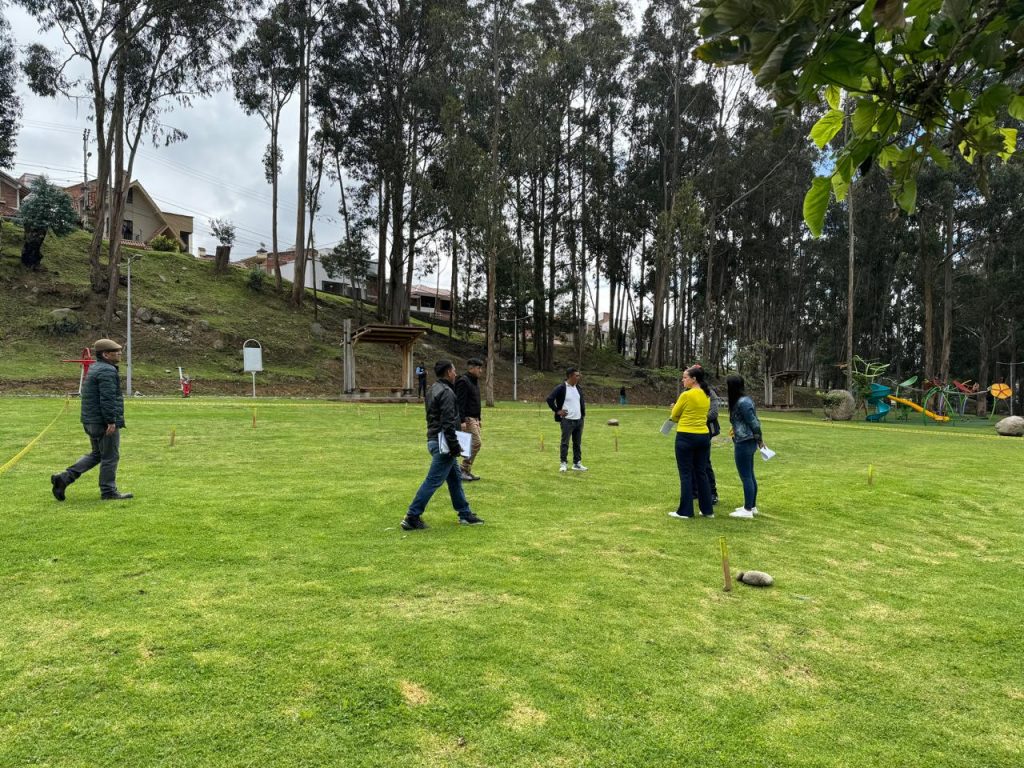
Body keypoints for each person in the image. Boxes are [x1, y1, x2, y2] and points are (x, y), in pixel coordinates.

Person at [401, 360, 485, 530]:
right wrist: (454, 446)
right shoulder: (447, 392)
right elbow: (447, 422)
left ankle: (464, 513)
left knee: (455, 480)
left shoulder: (432, 389)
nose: (455, 374)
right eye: (454, 371)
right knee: (433, 481)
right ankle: (412, 516)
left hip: (434, 439)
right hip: (443, 444)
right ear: (448, 372)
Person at [50, 338, 133, 502]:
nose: (120, 354)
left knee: (97, 454)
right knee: (110, 456)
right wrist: (111, 421)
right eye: (116, 352)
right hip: (102, 422)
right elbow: (107, 398)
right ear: (106, 354)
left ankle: (64, 478)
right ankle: (108, 492)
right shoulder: (107, 371)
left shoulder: (96, 368)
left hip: (90, 421)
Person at [667, 366, 714, 519]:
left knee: (686, 473)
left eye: (685, 377)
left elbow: (674, 416)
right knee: (701, 473)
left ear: (694, 379)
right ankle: (707, 510)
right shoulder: (706, 395)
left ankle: (685, 511)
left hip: (686, 436)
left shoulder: (686, 395)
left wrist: (674, 409)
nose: (683, 380)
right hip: (703, 436)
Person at [727, 374, 763, 519]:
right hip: (747, 440)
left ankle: (747, 509)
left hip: (745, 442)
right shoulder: (744, 401)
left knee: (746, 476)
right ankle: (751, 506)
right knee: (750, 474)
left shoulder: (743, 402)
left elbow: (754, 422)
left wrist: (760, 439)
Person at [546, 367, 587, 472]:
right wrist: (557, 410)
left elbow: (580, 402)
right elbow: (549, 399)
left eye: (579, 375)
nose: (579, 377)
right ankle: (563, 463)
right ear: (570, 376)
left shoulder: (578, 388)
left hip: (579, 420)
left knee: (577, 443)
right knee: (565, 443)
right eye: (576, 375)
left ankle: (577, 463)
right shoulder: (561, 387)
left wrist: (582, 416)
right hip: (567, 421)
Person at [455, 357, 484, 481]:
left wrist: (479, 418)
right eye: (478, 368)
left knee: (471, 444)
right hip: (467, 418)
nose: (481, 371)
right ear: (471, 368)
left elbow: (475, 401)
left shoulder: (474, 381)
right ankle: (463, 469)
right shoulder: (463, 381)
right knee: (476, 443)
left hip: (475, 418)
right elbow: (460, 403)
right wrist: (462, 421)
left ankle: (466, 470)